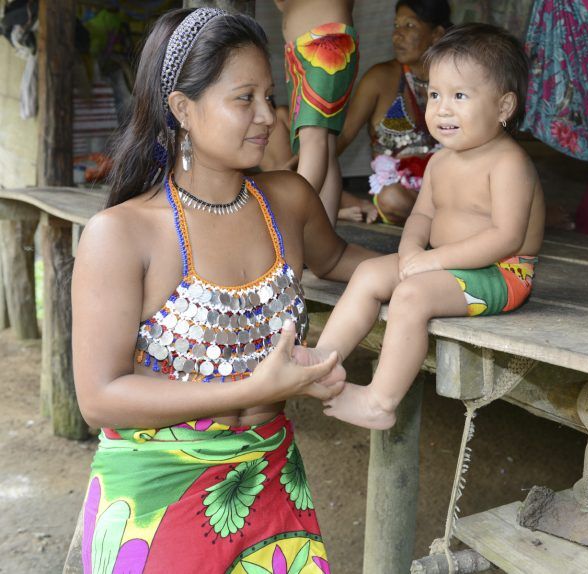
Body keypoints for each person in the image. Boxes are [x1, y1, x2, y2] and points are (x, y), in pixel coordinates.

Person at [71, 8, 373, 572]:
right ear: (183, 109)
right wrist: (250, 387)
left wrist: (440, 265)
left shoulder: (287, 200)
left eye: (270, 94)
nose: (267, 116)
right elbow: (100, 398)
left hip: (274, 481)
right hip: (158, 499)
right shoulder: (122, 234)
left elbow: (342, 261)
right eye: (244, 98)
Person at [315, 23, 545, 430]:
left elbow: (506, 237)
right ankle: (320, 363)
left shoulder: (509, 164)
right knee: (369, 273)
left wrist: (432, 261)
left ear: (504, 107)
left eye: (460, 96)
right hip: (445, 266)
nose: (441, 108)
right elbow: (420, 217)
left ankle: (380, 401)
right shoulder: (440, 161)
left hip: (501, 273)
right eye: (434, 94)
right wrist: (411, 252)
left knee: (411, 296)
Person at [337, 0, 451, 225]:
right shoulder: (380, 79)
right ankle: (449, 228)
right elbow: (343, 137)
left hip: (448, 194)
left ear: (436, 34)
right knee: (391, 198)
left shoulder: (454, 78)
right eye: (396, 25)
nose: (397, 35)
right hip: (402, 198)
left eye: (409, 26)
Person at [275, 0, 358, 226]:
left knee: (314, 139)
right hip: (298, 49)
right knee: (324, 145)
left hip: (326, 40)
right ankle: (325, 237)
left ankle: (291, 222)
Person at [260, 103, 378, 223]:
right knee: (273, 204)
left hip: (296, 173)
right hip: (273, 183)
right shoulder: (251, 128)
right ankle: (338, 214)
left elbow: (308, 142)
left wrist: (289, 165)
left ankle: (361, 205)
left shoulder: (280, 114)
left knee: (321, 193)